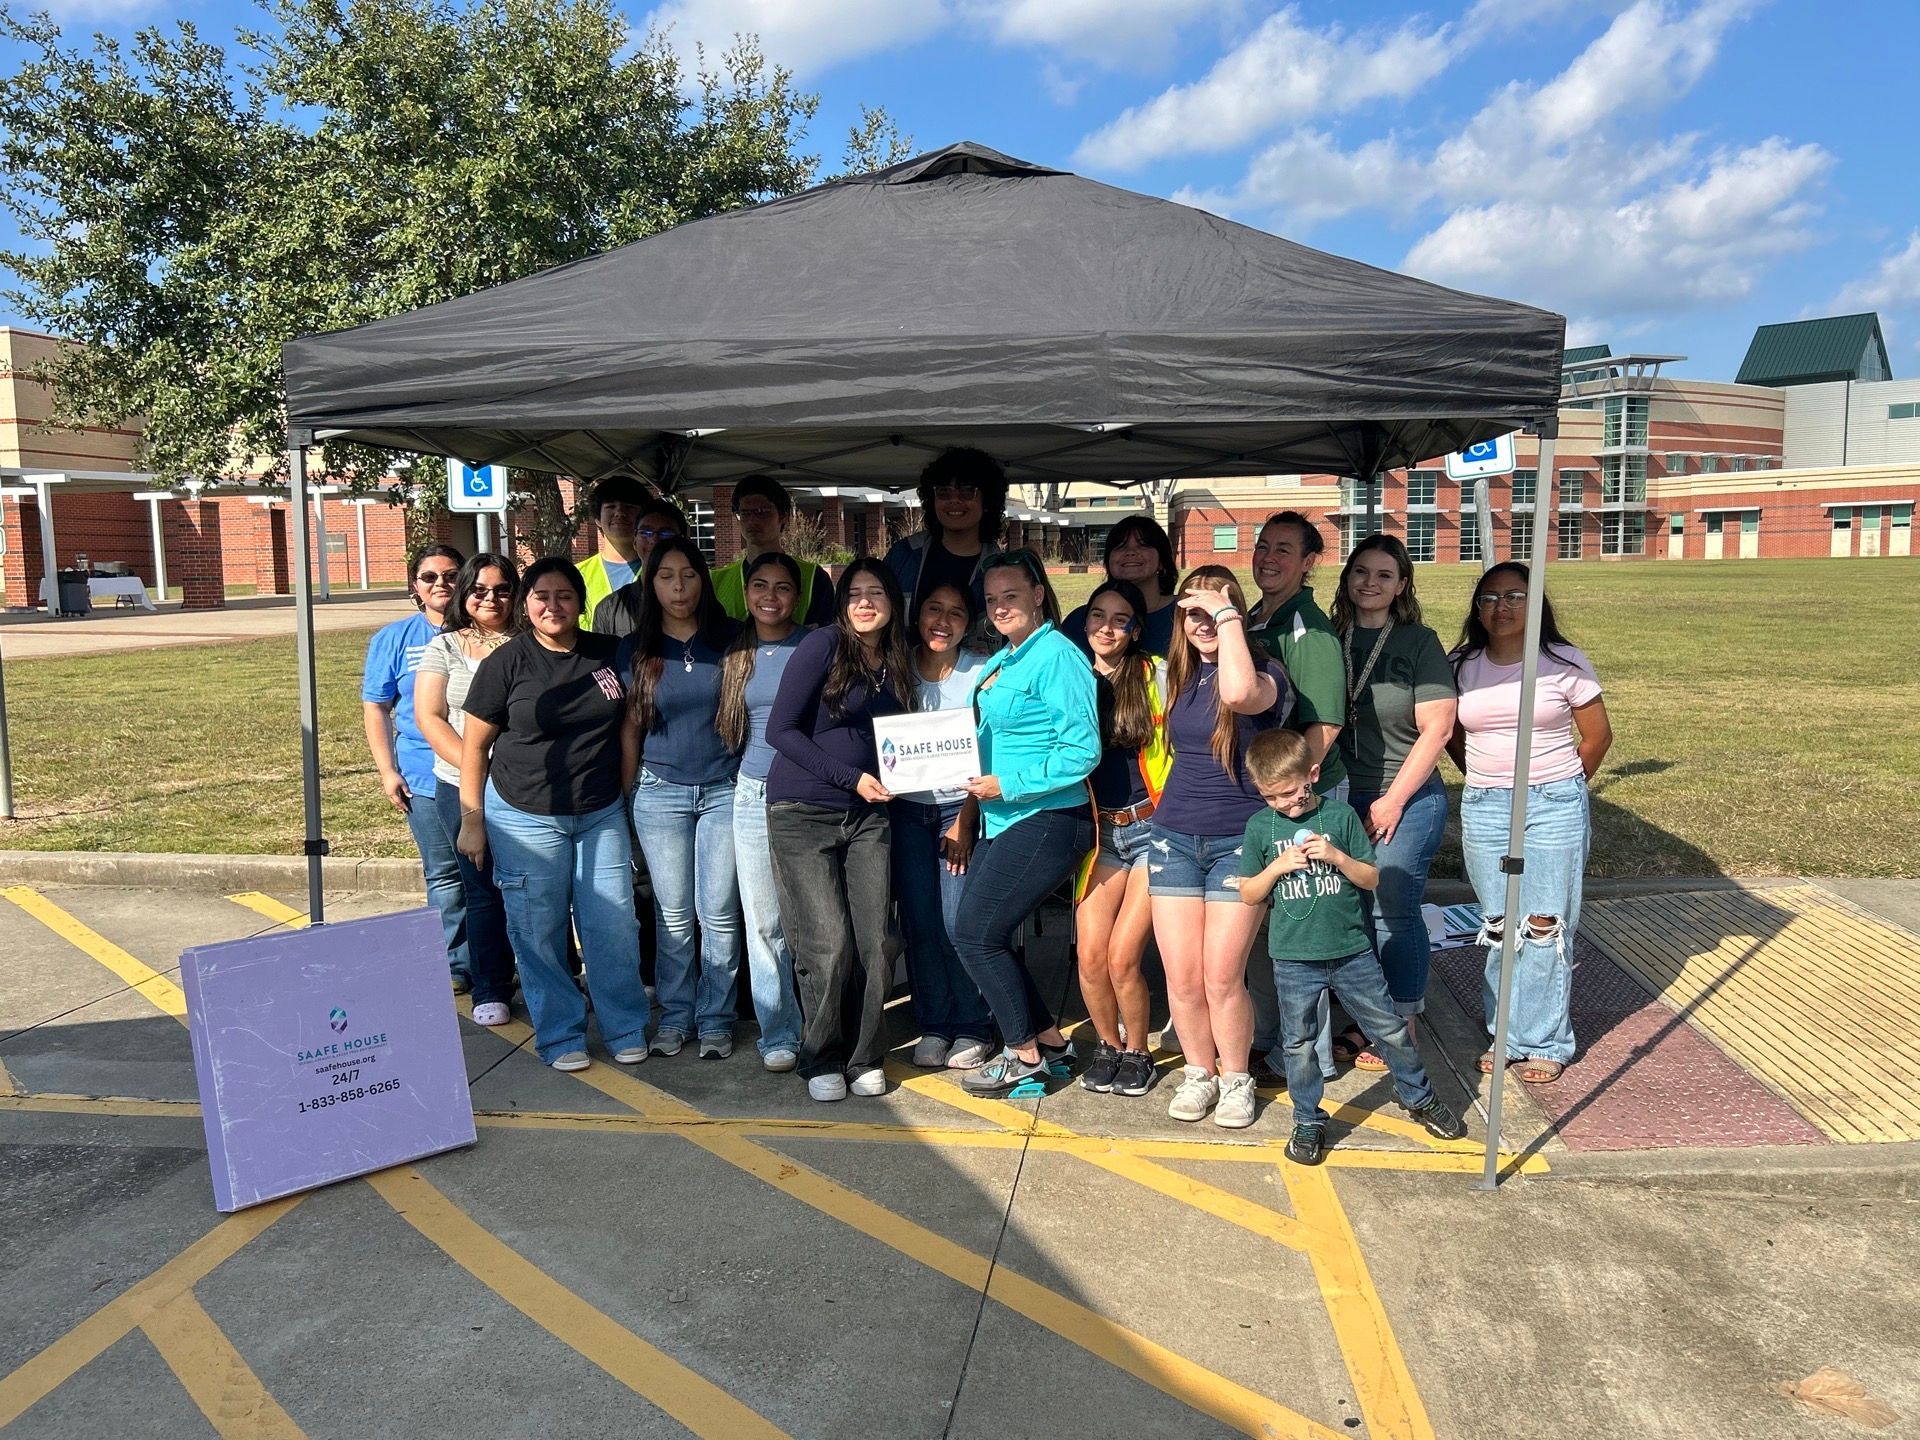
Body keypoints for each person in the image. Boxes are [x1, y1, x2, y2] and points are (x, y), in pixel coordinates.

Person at [1232, 730, 1466, 1163]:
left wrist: (1338, 857)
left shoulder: (1338, 818)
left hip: (1351, 951)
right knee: (1298, 1043)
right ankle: (1307, 1119)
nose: (1284, 804)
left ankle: (1419, 1096)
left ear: (1313, 774)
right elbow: (1249, 893)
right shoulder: (1259, 828)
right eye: (1271, 797)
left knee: (1390, 1028)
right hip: (1294, 957)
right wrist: (1279, 866)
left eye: (1290, 793)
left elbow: (1371, 878)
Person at [455, 558, 650, 1072]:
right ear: (526, 603)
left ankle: (625, 1026)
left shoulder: (610, 655)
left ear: (581, 603)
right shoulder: (507, 663)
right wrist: (472, 818)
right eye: (542, 595)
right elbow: (475, 748)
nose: (553, 605)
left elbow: (630, 727)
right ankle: (561, 1034)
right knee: (537, 930)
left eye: (565, 595)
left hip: (599, 812)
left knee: (612, 926)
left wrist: (622, 795)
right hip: (522, 815)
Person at [1447, 562, 1613, 1085]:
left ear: (1535, 603)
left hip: (1553, 803)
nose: (1502, 607)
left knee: (1544, 925)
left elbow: (1597, 736)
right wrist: (1481, 775)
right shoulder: (1461, 665)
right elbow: (1449, 732)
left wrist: (1560, 787)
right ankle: (1505, 1033)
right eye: (1491, 598)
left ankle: (1543, 1041)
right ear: (1478, 607)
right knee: (1499, 924)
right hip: (1486, 804)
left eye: (1515, 596)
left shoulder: (1563, 662)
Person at [765, 559, 916, 1102]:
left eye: (877, 592)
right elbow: (779, 729)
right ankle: (820, 1056)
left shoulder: (897, 660)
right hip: (803, 812)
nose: (865, 602)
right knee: (827, 943)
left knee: (877, 940)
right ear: (841, 602)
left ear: (894, 602)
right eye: (855, 593)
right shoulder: (822, 646)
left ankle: (864, 1055)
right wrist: (852, 777)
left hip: (869, 816)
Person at [1147, 565, 1292, 1127]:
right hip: (1174, 837)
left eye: (1216, 610)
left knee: (1221, 976)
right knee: (1181, 976)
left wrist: (1228, 617)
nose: (1203, 622)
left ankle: (1236, 1078)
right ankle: (1198, 1073)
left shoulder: (1267, 674)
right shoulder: (1179, 678)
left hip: (1239, 841)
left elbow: (1238, 693)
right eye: (1193, 612)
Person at [954, 549, 1100, 1097]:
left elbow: (1082, 750)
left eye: (1011, 596)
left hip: (1046, 817)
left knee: (975, 933)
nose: (999, 608)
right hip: (1003, 817)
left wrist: (1007, 783)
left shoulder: (1058, 656)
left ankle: (1023, 1057)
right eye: (991, 600)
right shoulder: (1007, 659)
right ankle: (1050, 1042)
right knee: (983, 932)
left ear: (1040, 593)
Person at [1328, 535, 1458, 1069]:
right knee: (1349, 910)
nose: (1370, 583)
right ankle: (1362, 1015)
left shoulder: (1417, 641)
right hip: (1339, 789)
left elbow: (1439, 728)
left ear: (1402, 585)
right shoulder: (1328, 636)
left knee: (1391, 908)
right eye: (1361, 572)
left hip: (1403, 793)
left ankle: (1399, 1024)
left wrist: (1392, 801)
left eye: (1384, 575)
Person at [618, 538, 743, 1060]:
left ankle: (715, 1018)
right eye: (665, 576)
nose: (677, 587)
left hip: (724, 790)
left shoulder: (734, 641)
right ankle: (675, 1015)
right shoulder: (635, 649)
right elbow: (629, 731)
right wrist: (624, 802)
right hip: (658, 792)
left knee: (718, 912)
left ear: (703, 580)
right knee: (671, 914)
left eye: (687, 575)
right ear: (651, 585)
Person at [1246, 511, 1349, 1068]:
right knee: (1267, 933)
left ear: (1310, 563)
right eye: (1264, 546)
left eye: (1284, 550)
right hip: (1268, 794)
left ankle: (1310, 1058)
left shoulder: (1308, 630)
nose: (1269, 557)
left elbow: (1324, 728)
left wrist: (1288, 798)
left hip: (1303, 798)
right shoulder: (1260, 617)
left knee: (1302, 930)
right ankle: (1272, 1040)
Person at [891, 582, 995, 1070]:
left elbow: (988, 751)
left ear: (968, 622)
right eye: (934, 607)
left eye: (956, 613)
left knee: (959, 922)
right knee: (922, 923)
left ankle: (972, 1024)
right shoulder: (896, 666)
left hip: (960, 811)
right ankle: (933, 1023)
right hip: (908, 812)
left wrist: (968, 822)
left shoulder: (981, 672)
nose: (943, 620)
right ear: (917, 614)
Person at [415, 551, 521, 1026]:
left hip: (527, 788)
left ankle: (559, 976)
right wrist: (478, 767)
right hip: (461, 787)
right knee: (481, 890)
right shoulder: (445, 646)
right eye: (480, 589)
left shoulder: (531, 641)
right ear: (465, 595)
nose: (491, 598)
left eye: (502, 589)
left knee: (540, 888)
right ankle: (491, 987)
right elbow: (429, 717)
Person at [1074, 578, 1170, 1099]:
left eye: (1119, 620)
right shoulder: (1071, 677)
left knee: (1122, 956)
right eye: (1097, 616)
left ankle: (1139, 1051)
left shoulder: (1153, 675)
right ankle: (1107, 1045)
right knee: (1089, 955)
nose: (1106, 627)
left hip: (1152, 828)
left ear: (1135, 631)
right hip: (1099, 833)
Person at [716, 552, 809, 1071]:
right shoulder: (735, 651)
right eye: (759, 586)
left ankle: (821, 1024)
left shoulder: (817, 644)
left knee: (813, 925)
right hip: (751, 795)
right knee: (763, 923)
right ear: (746, 593)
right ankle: (778, 1033)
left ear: (797, 596)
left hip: (809, 797)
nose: (770, 596)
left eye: (781, 587)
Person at [362, 543, 470, 992]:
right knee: (445, 874)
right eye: (430, 577)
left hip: (491, 775)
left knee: (494, 877)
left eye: (450, 575)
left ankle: (503, 958)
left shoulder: (488, 630)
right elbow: (376, 707)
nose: (441, 584)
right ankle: (456, 964)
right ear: (415, 587)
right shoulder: (393, 639)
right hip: (425, 779)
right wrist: (388, 771)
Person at [883, 447, 1008, 622]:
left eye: (966, 491)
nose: (954, 499)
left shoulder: (1002, 570)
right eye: (943, 491)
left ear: (987, 500)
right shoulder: (904, 555)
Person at [710, 475, 835, 627]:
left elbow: (826, 637)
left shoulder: (814, 577)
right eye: (745, 513)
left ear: (783, 517)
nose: (752, 520)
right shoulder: (715, 581)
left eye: (762, 512)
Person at [1061, 515, 1180, 658]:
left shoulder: (1186, 615)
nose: (1130, 552)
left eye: (1143, 545)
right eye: (1121, 546)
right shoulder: (1078, 621)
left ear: (1162, 560)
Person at [591, 496, 691, 636]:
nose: (654, 539)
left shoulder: (698, 601)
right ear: (634, 541)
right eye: (645, 532)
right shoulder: (609, 608)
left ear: (683, 540)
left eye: (665, 533)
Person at [577, 476, 649, 630]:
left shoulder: (664, 571)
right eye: (610, 506)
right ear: (597, 518)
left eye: (629, 506)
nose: (619, 512)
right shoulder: (577, 575)